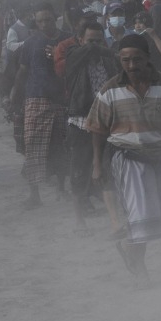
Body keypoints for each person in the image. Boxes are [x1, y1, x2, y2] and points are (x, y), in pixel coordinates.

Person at [87, 32, 161, 283]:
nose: (131, 66)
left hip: (157, 156)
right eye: (125, 60)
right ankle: (139, 265)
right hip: (126, 157)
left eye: (136, 59)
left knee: (152, 213)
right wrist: (97, 164)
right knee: (140, 214)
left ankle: (130, 250)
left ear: (147, 58)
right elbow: (97, 130)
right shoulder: (109, 90)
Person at [63, 21, 123, 237]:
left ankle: (115, 220)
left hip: (107, 121)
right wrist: (102, 49)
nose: (94, 46)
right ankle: (79, 220)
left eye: (99, 40)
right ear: (80, 40)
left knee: (107, 169)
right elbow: (83, 54)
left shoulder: (107, 60)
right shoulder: (74, 56)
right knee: (79, 170)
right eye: (90, 41)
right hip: (81, 120)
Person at [9, 5, 71, 208]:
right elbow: (22, 72)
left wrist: (58, 58)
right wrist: (15, 98)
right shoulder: (30, 43)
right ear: (36, 22)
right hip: (36, 98)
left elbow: (76, 67)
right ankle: (34, 195)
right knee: (32, 147)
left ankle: (62, 187)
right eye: (41, 21)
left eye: (48, 20)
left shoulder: (68, 40)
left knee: (61, 145)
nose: (45, 24)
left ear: (56, 19)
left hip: (63, 98)